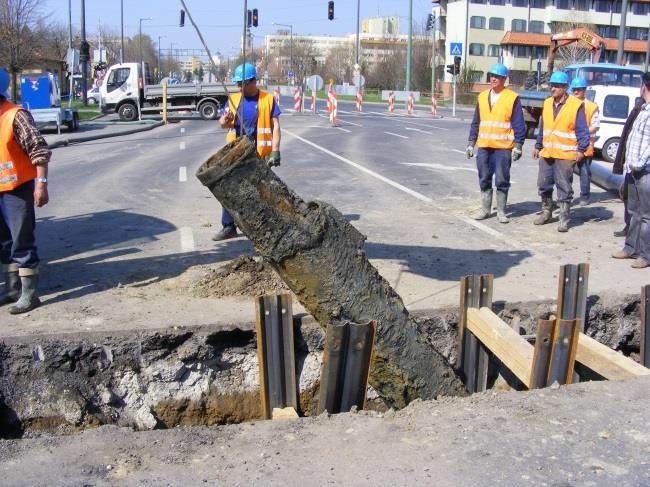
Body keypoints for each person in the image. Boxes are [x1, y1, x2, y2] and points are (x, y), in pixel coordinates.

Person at [0, 67, 50, 313]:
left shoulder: (15, 116)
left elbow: (39, 151)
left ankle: (29, 295)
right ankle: (10, 290)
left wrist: (41, 184)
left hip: (16, 190)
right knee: (4, 243)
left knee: (22, 242)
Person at [213, 63, 281, 241]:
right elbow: (222, 124)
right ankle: (229, 226)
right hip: (235, 153)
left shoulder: (267, 99)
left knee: (261, 190)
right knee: (228, 188)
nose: (238, 87)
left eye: (241, 84)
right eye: (237, 84)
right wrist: (224, 120)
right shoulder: (234, 100)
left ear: (252, 82)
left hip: (259, 154)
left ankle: (265, 227)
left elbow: (276, 127)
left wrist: (275, 151)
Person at [466, 63, 526, 223]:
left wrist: (518, 146)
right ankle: (485, 210)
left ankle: (501, 211)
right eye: (492, 75)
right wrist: (471, 142)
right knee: (484, 177)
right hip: (484, 146)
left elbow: (519, 124)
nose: (494, 79)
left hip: (503, 148)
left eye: (498, 76)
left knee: (502, 179)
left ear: (504, 79)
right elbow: (476, 122)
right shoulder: (482, 96)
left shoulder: (512, 98)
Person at [532, 71, 590, 232]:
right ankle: (547, 212)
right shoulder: (547, 103)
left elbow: (582, 130)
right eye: (552, 85)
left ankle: (563, 218)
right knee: (543, 184)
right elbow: (543, 127)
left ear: (565, 87)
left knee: (564, 186)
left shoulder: (575, 105)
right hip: (547, 152)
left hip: (565, 154)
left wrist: (582, 150)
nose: (553, 88)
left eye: (557, 86)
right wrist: (538, 145)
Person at [612, 72, 650, 269]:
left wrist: (638, 163)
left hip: (645, 171)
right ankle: (630, 248)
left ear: (644, 86)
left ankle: (646, 255)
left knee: (646, 216)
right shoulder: (643, 109)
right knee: (633, 211)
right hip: (634, 170)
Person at [612, 99, 644, 237]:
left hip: (641, 166)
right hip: (631, 165)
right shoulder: (639, 108)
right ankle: (629, 229)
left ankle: (636, 235)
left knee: (640, 204)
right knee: (628, 197)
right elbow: (628, 136)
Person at [569, 76, 600, 205]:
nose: (576, 92)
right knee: (566, 172)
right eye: (574, 89)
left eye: (579, 90)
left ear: (584, 90)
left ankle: (584, 196)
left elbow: (596, 125)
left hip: (586, 145)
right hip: (569, 144)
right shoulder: (568, 105)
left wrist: (583, 133)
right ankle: (567, 195)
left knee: (585, 172)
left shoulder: (591, 106)